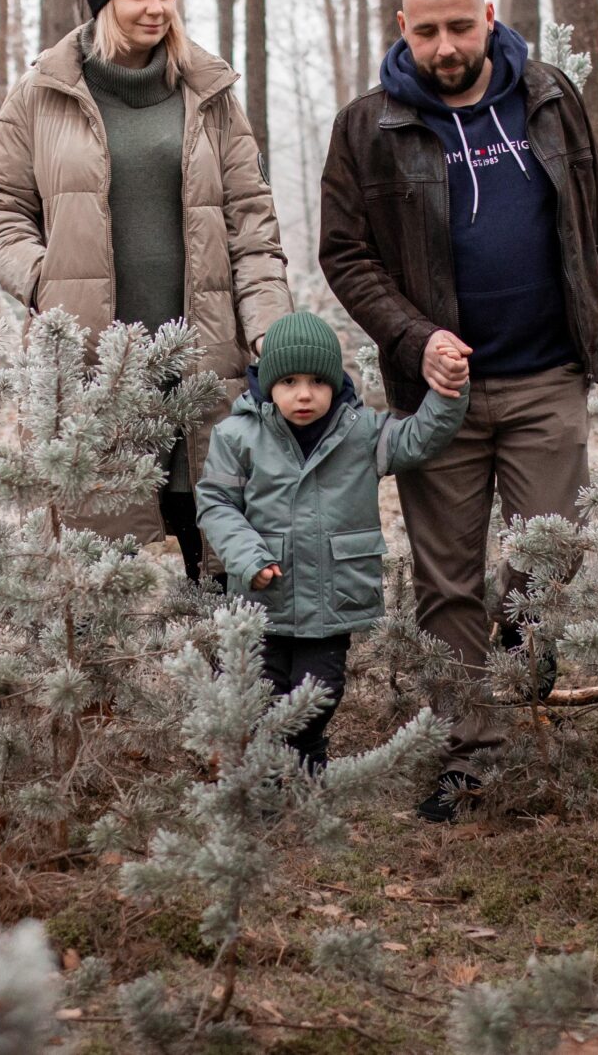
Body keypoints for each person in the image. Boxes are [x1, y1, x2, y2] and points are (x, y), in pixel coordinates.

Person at [318, 0, 598, 822]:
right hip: (439, 401)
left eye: (461, 26)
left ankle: (517, 649)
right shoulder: (366, 128)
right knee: (445, 581)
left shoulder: (549, 96)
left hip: (545, 376)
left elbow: (594, 220)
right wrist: (416, 341)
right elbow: (345, 256)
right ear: (403, 28)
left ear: (489, 14)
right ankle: (470, 754)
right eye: (427, 31)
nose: (447, 45)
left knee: (552, 552)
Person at [0, 0, 291, 575]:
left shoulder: (210, 92)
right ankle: (105, 680)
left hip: (204, 359)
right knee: (97, 565)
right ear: (104, 2)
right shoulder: (44, 91)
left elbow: (252, 222)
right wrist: (46, 281)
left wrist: (268, 328)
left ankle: (227, 675)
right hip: (99, 368)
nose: (155, 7)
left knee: (222, 548)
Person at [195, 311, 468, 771]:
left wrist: (448, 391)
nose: (304, 394)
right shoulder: (237, 435)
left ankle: (305, 758)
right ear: (267, 383)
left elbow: (423, 437)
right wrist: (247, 556)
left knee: (318, 691)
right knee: (261, 692)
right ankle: (262, 778)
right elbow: (217, 503)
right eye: (290, 382)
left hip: (331, 598)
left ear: (337, 382)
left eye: (318, 382)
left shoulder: (360, 432)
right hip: (264, 596)